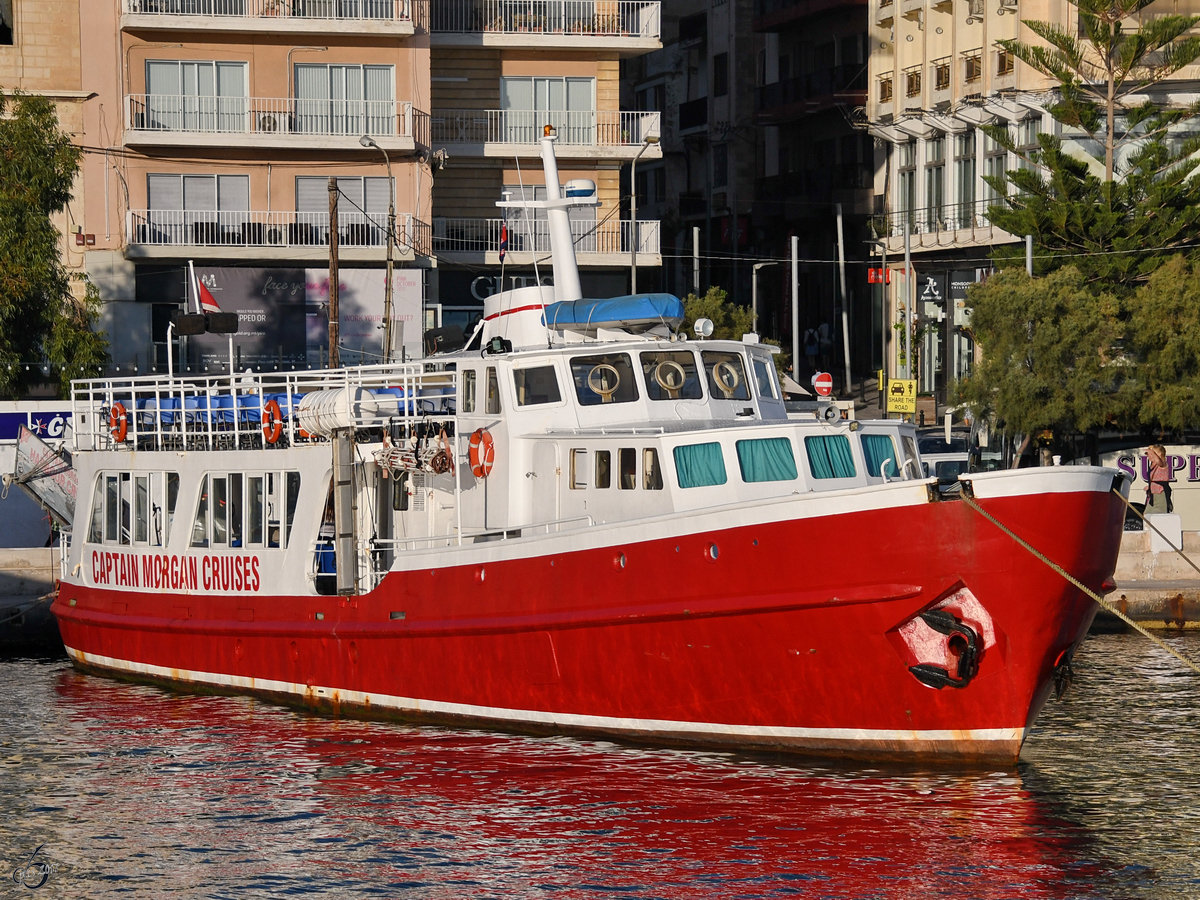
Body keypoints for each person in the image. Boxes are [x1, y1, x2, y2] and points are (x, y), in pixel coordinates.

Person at [1146, 444, 1173, 513]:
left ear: (1160, 454)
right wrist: (1150, 486)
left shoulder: (1163, 463)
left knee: (1158, 515)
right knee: (1147, 515)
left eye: (1154, 453)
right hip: (1153, 495)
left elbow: (1158, 461)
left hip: (1160, 494)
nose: (1151, 455)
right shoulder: (1153, 465)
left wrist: (1152, 452)